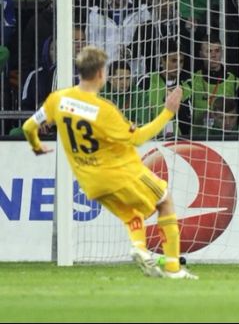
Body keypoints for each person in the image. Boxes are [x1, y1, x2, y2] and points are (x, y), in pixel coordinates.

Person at [21, 45, 197, 279]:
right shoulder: (103, 110)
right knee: (164, 200)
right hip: (116, 173)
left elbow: (28, 126)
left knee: (131, 214)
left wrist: (36, 146)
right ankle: (174, 269)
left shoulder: (58, 99)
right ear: (101, 74)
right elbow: (138, 139)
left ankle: (140, 249)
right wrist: (168, 112)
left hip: (89, 182)